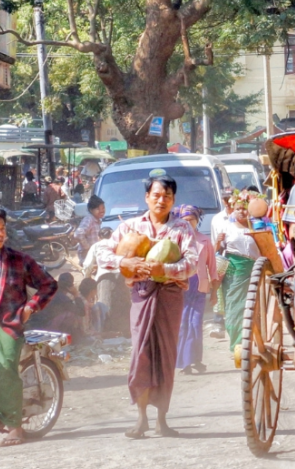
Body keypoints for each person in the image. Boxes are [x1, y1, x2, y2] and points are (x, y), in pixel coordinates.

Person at [97, 172, 198, 439]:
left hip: (170, 296)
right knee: (140, 354)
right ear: (147, 197)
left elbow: (191, 263)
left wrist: (163, 268)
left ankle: (161, 420)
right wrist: (124, 263)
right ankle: (141, 419)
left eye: (167, 196)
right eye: (156, 195)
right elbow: (101, 253)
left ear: (174, 199)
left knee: (165, 356)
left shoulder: (182, 229)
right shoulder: (130, 228)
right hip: (141, 296)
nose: (161, 200)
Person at [0, 206, 57, 446]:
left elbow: (48, 284)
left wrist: (30, 307)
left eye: (3, 229)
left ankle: (14, 426)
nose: (1, 234)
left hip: (7, 321)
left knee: (3, 368)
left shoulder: (18, 260)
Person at [216, 192, 260, 354]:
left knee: (253, 307)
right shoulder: (227, 228)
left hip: (256, 270)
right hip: (234, 270)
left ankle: (250, 342)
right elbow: (216, 252)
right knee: (234, 307)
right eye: (239, 209)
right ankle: (237, 345)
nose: (242, 212)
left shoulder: (258, 227)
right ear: (233, 210)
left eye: (245, 209)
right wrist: (217, 242)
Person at [175, 205, 217, 375]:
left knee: (195, 323)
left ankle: (195, 360)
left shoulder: (205, 241)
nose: (189, 223)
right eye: (185, 221)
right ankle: (184, 363)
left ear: (197, 221)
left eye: (192, 220)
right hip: (181, 288)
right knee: (183, 324)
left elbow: (212, 268)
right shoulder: (175, 242)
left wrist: (214, 292)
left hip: (199, 287)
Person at [75, 195, 106, 261]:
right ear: (91, 210)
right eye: (98, 209)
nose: (101, 211)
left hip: (95, 254)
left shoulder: (98, 220)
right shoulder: (89, 219)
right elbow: (78, 234)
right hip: (87, 256)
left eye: (103, 208)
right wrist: (87, 247)